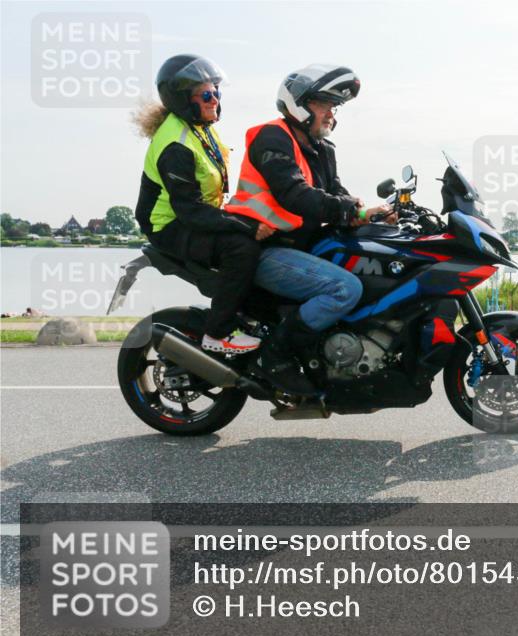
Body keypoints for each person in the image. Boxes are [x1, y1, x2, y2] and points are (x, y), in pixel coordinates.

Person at [225, 65, 394, 393]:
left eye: (334, 107)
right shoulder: (272, 137)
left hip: (297, 248)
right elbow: (294, 194)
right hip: (262, 248)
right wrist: (351, 209)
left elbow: (335, 194)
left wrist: (370, 214)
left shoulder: (322, 149)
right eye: (325, 104)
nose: (331, 114)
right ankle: (277, 356)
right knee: (344, 289)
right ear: (299, 105)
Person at [134, 54, 269, 354]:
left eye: (217, 92)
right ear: (183, 99)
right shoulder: (175, 145)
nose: (214, 100)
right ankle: (218, 333)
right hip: (169, 226)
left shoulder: (198, 127)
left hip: (194, 217)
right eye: (206, 94)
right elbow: (190, 211)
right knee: (241, 248)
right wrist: (246, 225)